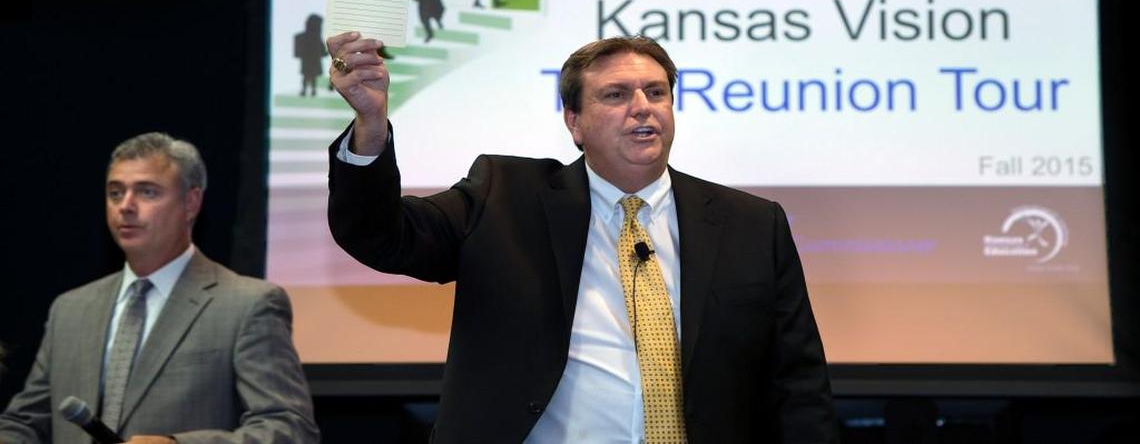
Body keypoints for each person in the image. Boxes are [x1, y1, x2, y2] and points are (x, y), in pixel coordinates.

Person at [325, 33, 838, 443]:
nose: (642, 107)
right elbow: (382, 236)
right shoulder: (504, 197)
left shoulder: (751, 223)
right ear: (575, 122)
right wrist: (370, 125)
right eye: (616, 95)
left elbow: (798, 385)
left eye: (656, 93)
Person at [0, 133, 319, 444]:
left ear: (191, 202)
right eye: (115, 193)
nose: (125, 206)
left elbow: (289, 429)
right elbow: (25, 423)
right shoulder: (70, 309)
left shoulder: (248, 305)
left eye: (147, 192)